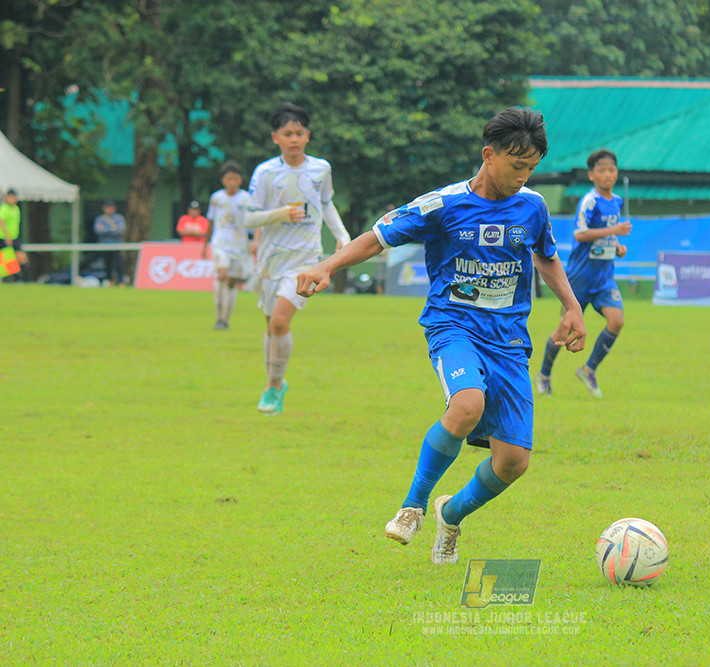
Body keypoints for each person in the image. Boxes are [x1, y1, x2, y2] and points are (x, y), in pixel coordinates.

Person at [295, 107, 586, 565]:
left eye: (531, 168)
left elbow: (545, 255)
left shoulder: (532, 205)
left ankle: (449, 514)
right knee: (467, 405)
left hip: (509, 339)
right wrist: (326, 265)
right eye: (517, 166)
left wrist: (572, 307)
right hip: (454, 325)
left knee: (513, 462)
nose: (523, 177)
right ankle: (412, 506)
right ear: (488, 155)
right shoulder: (442, 204)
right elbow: (377, 237)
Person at [243, 102, 351, 415]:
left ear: (308, 136)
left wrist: (342, 236)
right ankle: (275, 382)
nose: (294, 139)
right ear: (275, 137)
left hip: (305, 259)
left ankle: (273, 386)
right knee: (271, 326)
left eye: (299, 133)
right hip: (271, 260)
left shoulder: (321, 169)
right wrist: (280, 214)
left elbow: (326, 204)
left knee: (280, 322)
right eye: (288, 133)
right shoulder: (265, 172)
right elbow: (249, 218)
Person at [536, 148, 630, 399]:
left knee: (617, 321)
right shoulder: (590, 201)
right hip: (580, 277)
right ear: (591, 175)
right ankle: (544, 375)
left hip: (604, 277)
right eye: (602, 170)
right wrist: (614, 231)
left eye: (611, 170)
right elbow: (580, 234)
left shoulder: (617, 201)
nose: (608, 174)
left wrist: (617, 246)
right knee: (564, 330)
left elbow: (607, 232)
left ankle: (588, 370)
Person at [205, 162, 253, 330]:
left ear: (240, 180)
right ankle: (219, 317)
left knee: (232, 283)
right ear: (223, 180)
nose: (232, 182)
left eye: (235, 178)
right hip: (220, 244)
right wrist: (205, 244)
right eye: (228, 179)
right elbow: (211, 221)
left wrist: (255, 241)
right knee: (222, 275)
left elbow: (254, 222)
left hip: (239, 245)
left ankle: (225, 318)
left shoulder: (246, 199)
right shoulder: (217, 198)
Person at [93, 200, 127, 285]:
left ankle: (121, 282)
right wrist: (112, 228)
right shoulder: (100, 219)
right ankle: (109, 281)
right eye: (107, 208)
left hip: (116, 245)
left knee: (118, 264)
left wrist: (106, 229)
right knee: (107, 264)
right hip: (104, 245)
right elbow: (98, 230)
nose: (109, 210)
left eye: (111, 207)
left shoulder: (119, 218)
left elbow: (120, 231)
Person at [0, 188, 28, 281]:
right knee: (7, 260)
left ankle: (25, 279)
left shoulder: (16, 209)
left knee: (22, 257)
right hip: (3, 237)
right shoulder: (4, 208)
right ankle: (12, 279)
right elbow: (2, 222)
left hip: (15, 237)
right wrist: (7, 236)